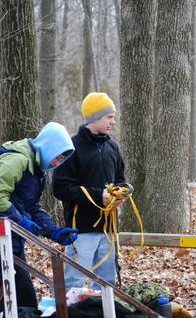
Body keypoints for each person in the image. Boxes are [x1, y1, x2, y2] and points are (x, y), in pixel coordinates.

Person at [0, 122, 79, 317]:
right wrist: (21, 221)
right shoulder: (17, 159)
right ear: (48, 146)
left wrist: (54, 231)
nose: (56, 162)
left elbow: (32, 207)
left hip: (12, 239)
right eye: (57, 156)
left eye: (61, 159)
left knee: (25, 295)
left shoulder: (38, 170)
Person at [52, 92, 126, 291]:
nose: (113, 122)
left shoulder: (113, 147)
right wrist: (97, 196)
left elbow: (122, 180)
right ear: (95, 117)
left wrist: (121, 193)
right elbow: (60, 187)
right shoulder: (71, 147)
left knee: (106, 284)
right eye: (109, 117)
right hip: (81, 230)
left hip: (108, 230)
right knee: (73, 283)